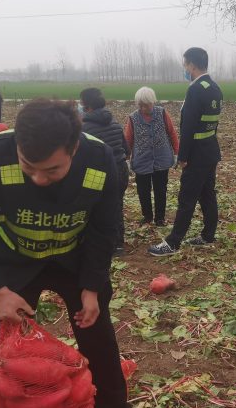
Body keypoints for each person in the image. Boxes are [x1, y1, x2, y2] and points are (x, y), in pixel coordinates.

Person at [0, 100, 146, 408]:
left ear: (73, 149)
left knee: (98, 336)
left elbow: (105, 227)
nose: (39, 178)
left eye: (52, 169)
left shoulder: (99, 159)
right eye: (29, 167)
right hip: (16, 259)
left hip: (74, 258)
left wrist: (92, 286)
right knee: (10, 346)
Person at [149, 47, 222, 256]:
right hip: (210, 150)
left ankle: (173, 242)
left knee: (186, 198)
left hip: (196, 155)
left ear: (191, 64)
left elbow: (188, 127)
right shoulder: (215, 87)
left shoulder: (195, 89)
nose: (185, 69)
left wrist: (183, 156)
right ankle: (208, 235)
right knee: (207, 194)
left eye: (185, 65)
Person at [79, 87, 130, 255]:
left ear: (87, 106)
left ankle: (100, 243)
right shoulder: (114, 122)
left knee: (96, 208)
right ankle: (118, 244)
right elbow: (126, 149)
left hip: (99, 173)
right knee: (116, 206)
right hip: (121, 169)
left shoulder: (85, 128)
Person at [125, 86, 179, 227]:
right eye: (140, 105)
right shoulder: (133, 118)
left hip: (161, 159)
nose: (143, 108)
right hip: (141, 160)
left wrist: (176, 153)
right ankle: (147, 216)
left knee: (161, 190)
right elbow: (128, 140)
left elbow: (172, 133)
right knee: (143, 191)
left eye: (146, 105)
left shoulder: (162, 113)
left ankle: (160, 218)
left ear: (153, 102)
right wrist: (127, 159)